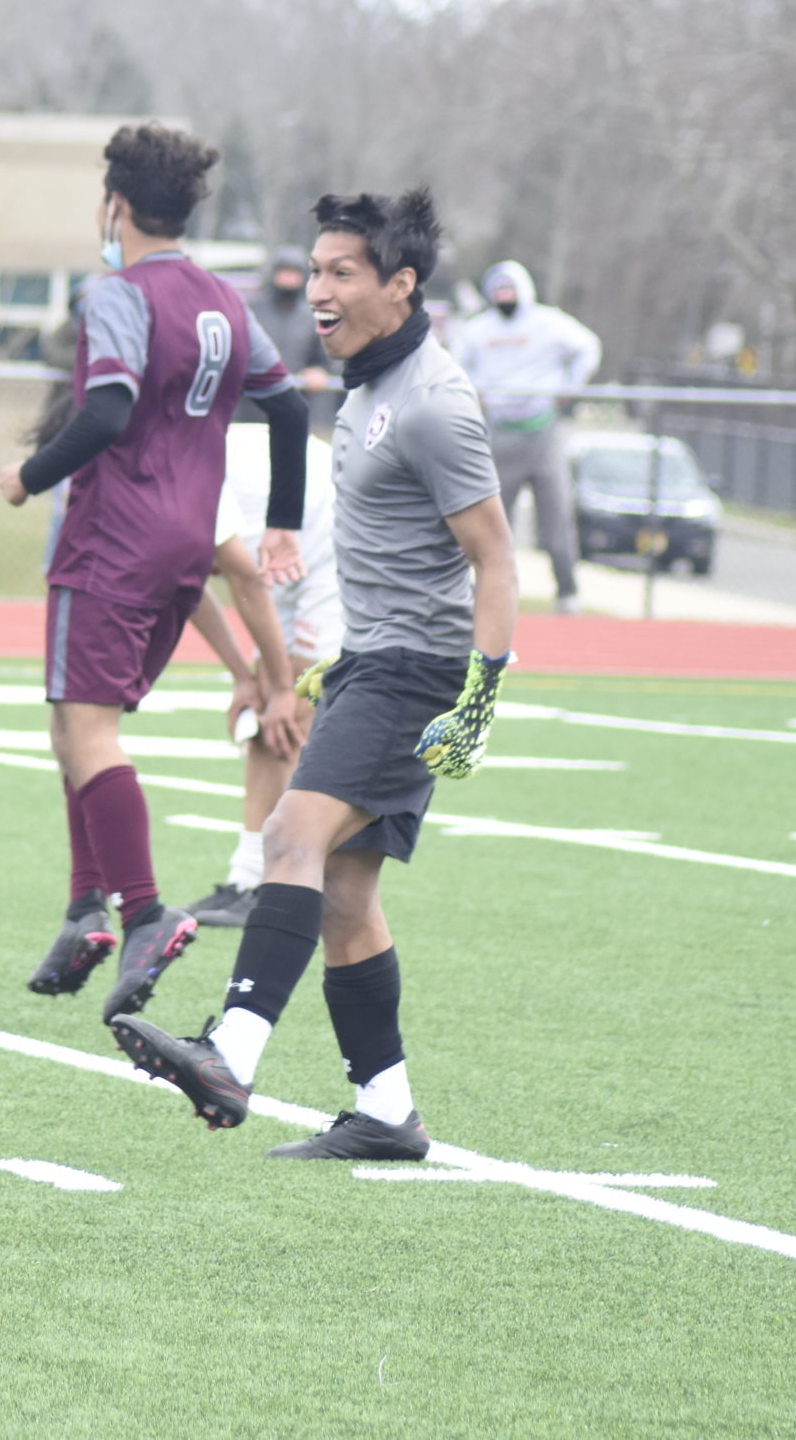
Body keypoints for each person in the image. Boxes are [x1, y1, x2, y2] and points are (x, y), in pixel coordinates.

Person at [110, 188, 518, 1165]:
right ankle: (385, 1111)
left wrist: (481, 698)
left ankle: (230, 1052)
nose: (321, 291)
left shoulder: (430, 403)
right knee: (343, 891)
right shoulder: (370, 386)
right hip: (368, 662)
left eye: (343, 272)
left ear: (401, 284)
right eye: (317, 269)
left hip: (410, 673)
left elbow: (496, 559)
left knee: (290, 831)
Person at [0, 123, 312, 1025]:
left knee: (87, 732)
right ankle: (82, 912)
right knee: (76, 726)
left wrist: (28, 476)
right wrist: (281, 520)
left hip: (113, 539)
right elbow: (288, 410)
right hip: (189, 539)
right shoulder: (222, 297)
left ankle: (139, 911)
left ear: (116, 205)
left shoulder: (117, 294)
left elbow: (105, 411)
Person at [182, 422, 342, 927]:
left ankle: (288, 881)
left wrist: (274, 685)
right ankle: (249, 877)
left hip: (328, 542)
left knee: (293, 709)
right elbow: (183, 585)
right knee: (267, 719)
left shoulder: (175, 471)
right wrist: (245, 679)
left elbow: (240, 576)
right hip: (282, 551)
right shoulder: (141, 478)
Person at [450, 259, 601, 615]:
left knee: (556, 520)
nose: (505, 296)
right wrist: (476, 394)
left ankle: (567, 592)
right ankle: (489, 594)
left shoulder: (548, 323)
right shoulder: (478, 329)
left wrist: (569, 387)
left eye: (511, 290)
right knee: (494, 523)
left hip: (542, 433)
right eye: (498, 291)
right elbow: (456, 367)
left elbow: (588, 347)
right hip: (499, 434)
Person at [237, 245, 336, 431]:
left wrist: (318, 371)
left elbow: (322, 359)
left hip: (292, 403)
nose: (288, 279)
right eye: (284, 272)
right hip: (248, 403)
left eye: (294, 273)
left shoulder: (312, 317)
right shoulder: (251, 310)